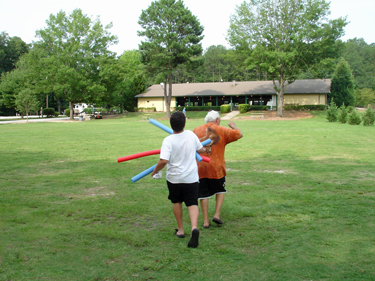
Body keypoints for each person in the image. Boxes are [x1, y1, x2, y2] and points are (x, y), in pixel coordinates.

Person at [152, 111, 206, 248]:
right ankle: (194, 228)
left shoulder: (168, 140)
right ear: (184, 123)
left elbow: (164, 160)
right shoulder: (191, 135)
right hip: (191, 178)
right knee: (192, 203)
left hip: (174, 178)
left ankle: (181, 230)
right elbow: (201, 150)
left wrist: (155, 171)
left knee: (176, 201)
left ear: (171, 125)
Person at [193, 110, 243, 228]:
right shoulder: (222, 130)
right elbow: (239, 134)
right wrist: (233, 126)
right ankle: (216, 215)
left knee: (203, 194)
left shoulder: (196, 130)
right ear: (216, 120)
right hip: (217, 167)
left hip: (201, 167)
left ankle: (206, 222)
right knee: (220, 190)